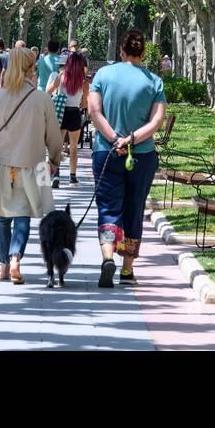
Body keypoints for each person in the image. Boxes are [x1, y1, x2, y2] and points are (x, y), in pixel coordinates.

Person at [0, 47, 63, 283]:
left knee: (2, 217)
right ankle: (16, 258)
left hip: (1, 165)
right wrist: (54, 160)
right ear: (30, 69)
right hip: (32, 166)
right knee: (23, 214)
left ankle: (3, 265)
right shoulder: (42, 99)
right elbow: (54, 137)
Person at [87, 30, 166, 288]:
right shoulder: (154, 82)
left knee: (108, 207)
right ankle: (127, 269)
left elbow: (94, 112)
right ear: (143, 53)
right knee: (134, 208)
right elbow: (156, 121)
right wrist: (130, 140)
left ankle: (108, 255)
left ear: (120, 51)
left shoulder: (102, 75)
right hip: (141, 155)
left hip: (106, 152)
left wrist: (113, 139)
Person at [47, 51, 89, 187]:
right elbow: (84, 104)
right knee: (73, 148)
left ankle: (56, 175)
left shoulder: (61, 76)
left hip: (61, 113)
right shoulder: (83, 82)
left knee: (57, 146)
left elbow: (48, 90)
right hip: (75, 114)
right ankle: (72, 177)